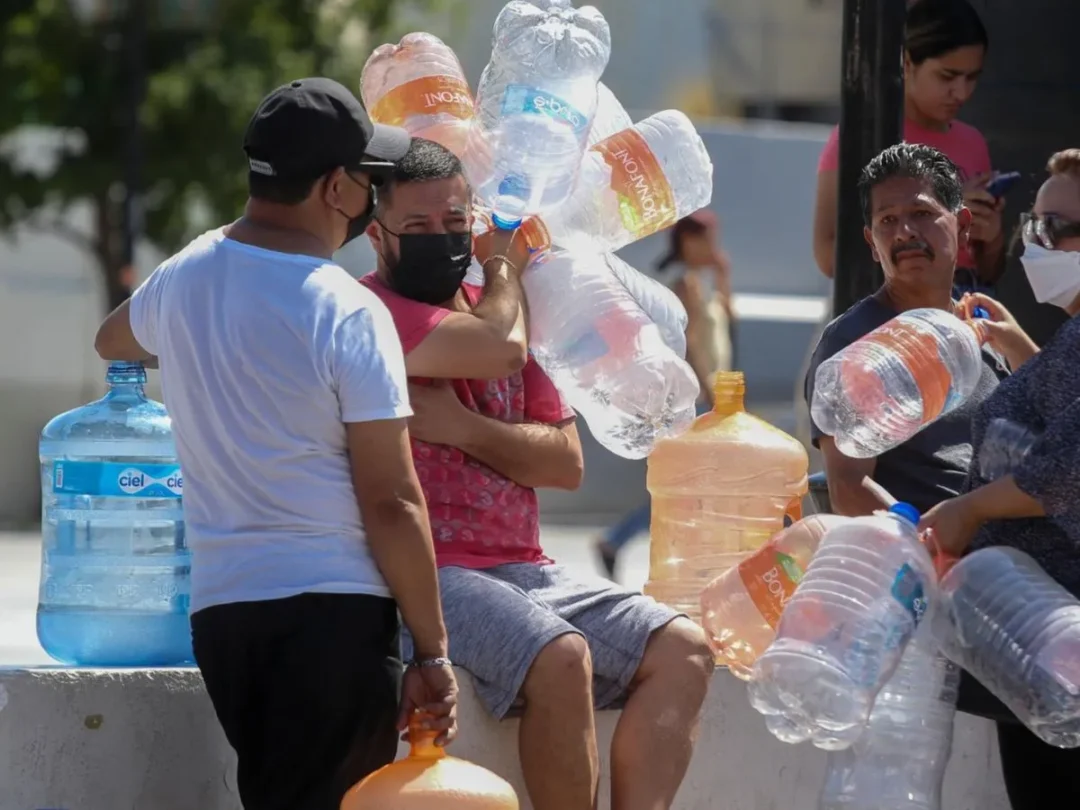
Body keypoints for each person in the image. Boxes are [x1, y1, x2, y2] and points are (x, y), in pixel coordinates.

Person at [93, 78, 457, 810]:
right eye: (371, 181)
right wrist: (433, 650)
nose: (375, 199)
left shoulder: (183, 277)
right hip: (334, 615)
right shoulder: (346, 309)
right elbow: (391, 500)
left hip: (227, 618)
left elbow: (112, 338)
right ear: (335, 189)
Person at [360, 138, 715, 810]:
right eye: (418, 228)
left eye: (456, 224)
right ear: (378, 238)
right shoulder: (365, 310)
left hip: (525, 569)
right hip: (426, 571)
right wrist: (504, 275)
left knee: (686, 650)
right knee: (560, 657)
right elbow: (497, 350)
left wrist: (464, 428)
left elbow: (565, 463)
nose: (443, 239)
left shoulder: (504, 308)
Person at [919, 148, 1080, 809]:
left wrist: (971, 511)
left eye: (1056, 228)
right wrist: (1020, 350)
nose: (1035, 245)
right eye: (1031, 228)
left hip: (1059, 625)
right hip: (1036, 625)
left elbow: (1068, 469)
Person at [805, 143, 1006, 517]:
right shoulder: (854, 343)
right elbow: (849, 489)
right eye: (887, 221)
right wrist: (927, 541)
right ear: (872, 243)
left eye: (921, 213)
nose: (904, 232)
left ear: (963, 226)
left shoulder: (990, 332)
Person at [812, 0, 1005, 297]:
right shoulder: (861, 138)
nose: (961, 92)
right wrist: (933, 217)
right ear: (907, 63)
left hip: (967, 312)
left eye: (972, 78)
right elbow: (827, 254)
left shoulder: (973, 142)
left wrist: (990, 238)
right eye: (947, 76)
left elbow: (988, 270)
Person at [594, 211, 734, 580]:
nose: (714, 248)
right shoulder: (683, 285)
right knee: (690, 485)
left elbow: (729, 323)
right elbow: (687, 345)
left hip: (707, 392)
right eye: (706, 240)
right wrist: (708, 391)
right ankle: (621, 542)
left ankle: (619, 541)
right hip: (698, 395)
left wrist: (724, 278)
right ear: (689, 242)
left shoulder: (700, 282)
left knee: (693, 485)